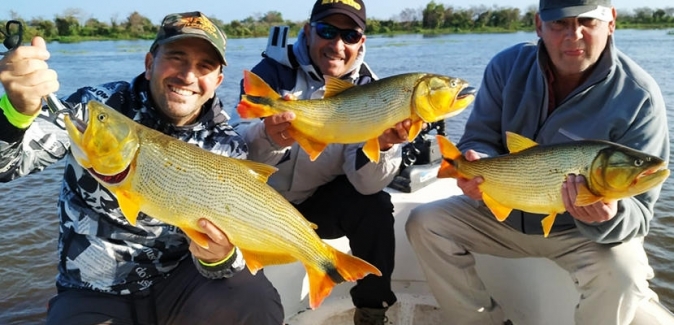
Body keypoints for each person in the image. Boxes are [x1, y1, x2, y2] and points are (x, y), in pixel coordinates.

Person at [0, 11, 283, 324]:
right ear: (150, 64)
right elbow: (7, 166)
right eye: (176, 57)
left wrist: (219, 257)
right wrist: (16, 111)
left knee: (255, 300)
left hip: (179, 284)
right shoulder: (96, 108)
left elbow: (226, 268)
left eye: (204, 66)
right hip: (91, 291)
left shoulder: (227, 148)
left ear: (217, 82)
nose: (188, 76)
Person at [405, 0, 669, 324]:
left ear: (611, 22)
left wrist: (609, 215)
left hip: (580, 234)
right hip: (502, 213)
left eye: (587, 21)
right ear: (538, 25)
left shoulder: (639, 96)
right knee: (424, 224)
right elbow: (479, 136)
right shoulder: (506, 67)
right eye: (559, 23)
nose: (574, 35)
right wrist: (478, 162)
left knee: (625, 274)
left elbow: (641, 213)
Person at [233, 0, 412, 324]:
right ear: (307, 31)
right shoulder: (271, 73)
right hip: (256, 204)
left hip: (315, 204)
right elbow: (232, 150)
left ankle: (372, 311)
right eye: (328, 31)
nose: (338, 45)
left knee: (375, 207)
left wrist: (382, 146)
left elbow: (364, 184)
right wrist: (269, 136)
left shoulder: (373, 91)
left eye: (350, 35)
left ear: (362, 42)